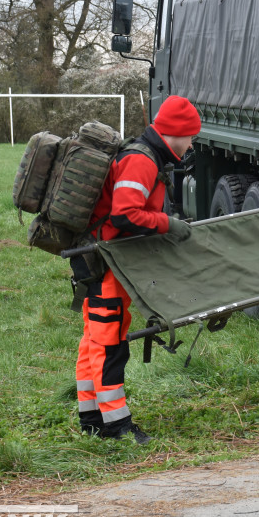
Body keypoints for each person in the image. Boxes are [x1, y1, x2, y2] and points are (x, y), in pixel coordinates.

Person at [72, 95, 200, 443]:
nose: (191, 144)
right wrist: (167, 224)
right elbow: (124, 215)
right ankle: (116, 427)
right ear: (175, 134)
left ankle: (92, 420)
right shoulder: (142, 161)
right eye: (190, 137)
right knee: (110, 344)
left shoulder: (145, 155)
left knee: (96, 341)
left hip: (99, 259)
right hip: (105, 262)